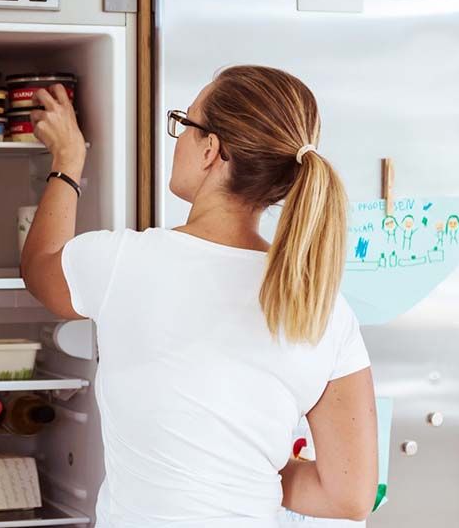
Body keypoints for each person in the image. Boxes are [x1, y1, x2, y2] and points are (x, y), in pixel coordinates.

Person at [21, 65, 378, 527]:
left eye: (184, 123)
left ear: (211, 149)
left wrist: (67, 160)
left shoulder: (125, 264)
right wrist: (244, 469)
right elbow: (348, 496)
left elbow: (40, 267)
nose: (178, 139)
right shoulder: (323, 308)